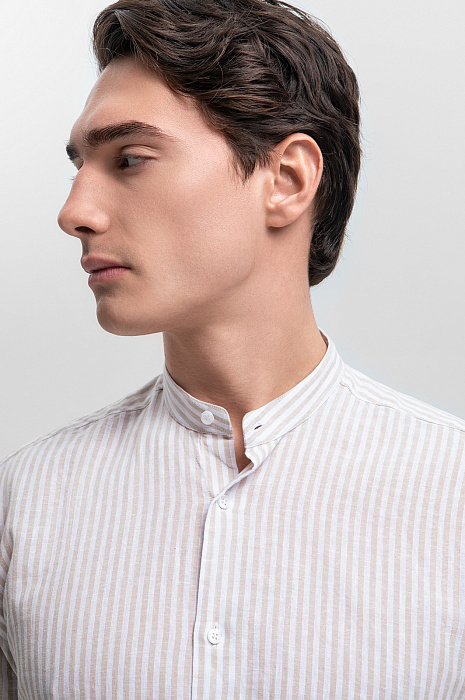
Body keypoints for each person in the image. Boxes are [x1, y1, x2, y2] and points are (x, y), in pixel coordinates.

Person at [1, 0, 464, 696]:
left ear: (287, 180)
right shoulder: (26, 502)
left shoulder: (452, 494)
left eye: (130, 159)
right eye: (79, 168)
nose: (74, 213)